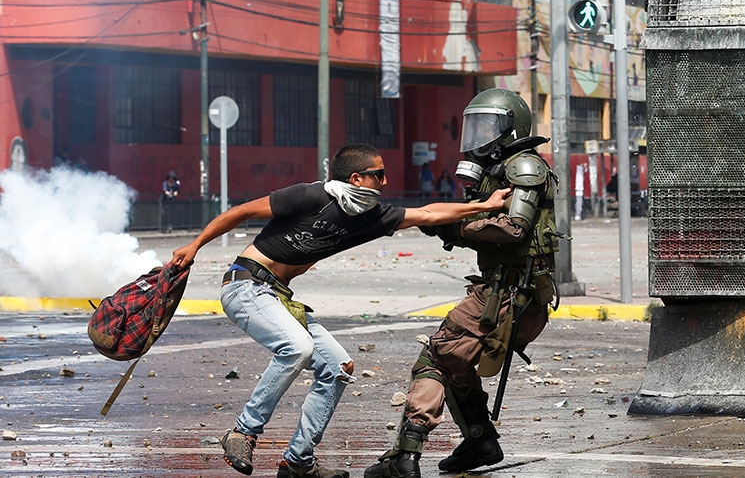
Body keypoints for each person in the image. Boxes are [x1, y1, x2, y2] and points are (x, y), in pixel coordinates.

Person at [170, 144, 511, 478]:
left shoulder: (373, 216)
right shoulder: (312, 197)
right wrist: (194, 245)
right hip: (246, 285)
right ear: (357, 178)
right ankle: (243, 433)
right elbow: (239, 212)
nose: (386, 182)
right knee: (298, 349)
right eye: (379, 174)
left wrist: (485, 205)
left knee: (338, 367)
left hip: (279, 296)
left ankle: (299, 462)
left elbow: (428, 213)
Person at [364, 88, 560, 478]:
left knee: (437, 355)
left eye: (489, 125)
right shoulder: (500, 168)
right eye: (477, 125)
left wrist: (458, 226)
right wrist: (445, 226)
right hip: (503, 290)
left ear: (510, 128)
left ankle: (405, 457)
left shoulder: (524, 167)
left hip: (508, 293)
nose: (480, 135)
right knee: (456, 361)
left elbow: (514, 227)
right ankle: (480, 439)